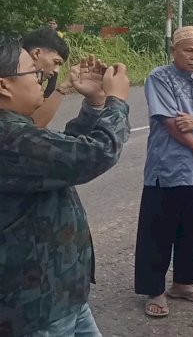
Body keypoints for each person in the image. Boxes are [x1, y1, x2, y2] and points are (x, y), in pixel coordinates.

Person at [0, 36, 131, 336]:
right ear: (4, 85)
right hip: (35, 310)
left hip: (59, 296)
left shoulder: (15, 130)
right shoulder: (8, 138)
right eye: (32, 72)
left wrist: (95, 102)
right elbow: (95, 154)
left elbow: (59, 152)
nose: (42, 77)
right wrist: (117, 102)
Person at [135, 26, 193, 318]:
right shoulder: (158, 78)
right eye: (189, 50)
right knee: (158, 230)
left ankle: (184, 283)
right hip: (167, 167)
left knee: (191, 229)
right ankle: (155, 290)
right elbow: (170, 123)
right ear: (174, 51)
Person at [21, 27, 72, 127]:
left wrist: (65, 86)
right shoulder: (12, 78)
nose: (56, 70)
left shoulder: (35, 77)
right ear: (36, 53)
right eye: (56, 62)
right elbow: (33, 126)